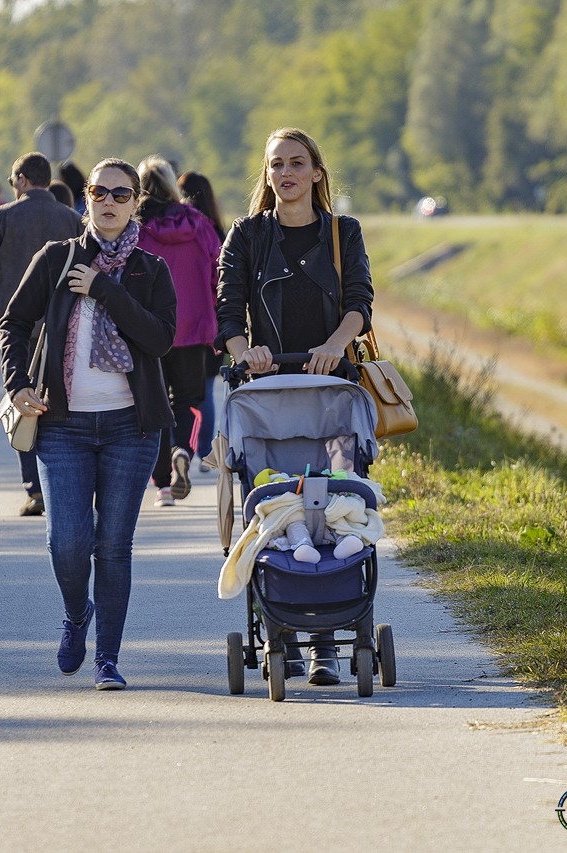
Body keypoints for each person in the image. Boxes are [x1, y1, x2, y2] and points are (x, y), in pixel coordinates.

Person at [0, 158, 177, 690]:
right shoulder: (56, 258)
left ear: (136, 202)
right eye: (100, 192)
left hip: (131, 428)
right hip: (63, 426)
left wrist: (104, 288)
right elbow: (14, 321)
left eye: (122, 195)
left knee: (113, 547)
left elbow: (160, 339)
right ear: (85, 197)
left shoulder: (151, 270)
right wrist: (17, 384)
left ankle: (108, 660)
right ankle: (77, 614)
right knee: (68, 542)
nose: (109, 202)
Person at [215, 127, 374, 687]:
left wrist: (336, 344)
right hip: (269, 394)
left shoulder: (341, 232)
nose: (285, 173)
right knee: (276, 503)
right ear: (267, 175)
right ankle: (281, 628)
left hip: (332, 391)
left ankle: (327, 642)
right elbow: (228, 314)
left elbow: (360, 303)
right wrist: (245, 351)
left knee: (332, 502)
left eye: (296, 163)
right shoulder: (247, 236)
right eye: (276, 164)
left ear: (316, 173)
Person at [0, 152, 84, 517]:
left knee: (21, 401)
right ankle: (61, 484)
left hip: (12, 326)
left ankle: (34, 489)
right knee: (59, 403)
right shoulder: (73, 219)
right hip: (60, 324)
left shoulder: (0, 218)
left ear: (20, 179)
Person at [135, 156, 222, 507]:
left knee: (152, 405)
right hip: (194, 329)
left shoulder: (135, 226)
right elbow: (219, 272)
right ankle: (183, 450)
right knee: (189, 401)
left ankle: (163, 486)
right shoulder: (199, 223)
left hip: (149, 329)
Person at [177, 170, 228, 470]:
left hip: (175, 323)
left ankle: (179, 449)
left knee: (176, 393)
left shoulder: (167, 225)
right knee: (206, 391)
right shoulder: (216, 231)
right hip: (209, 322)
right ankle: (205, 454)